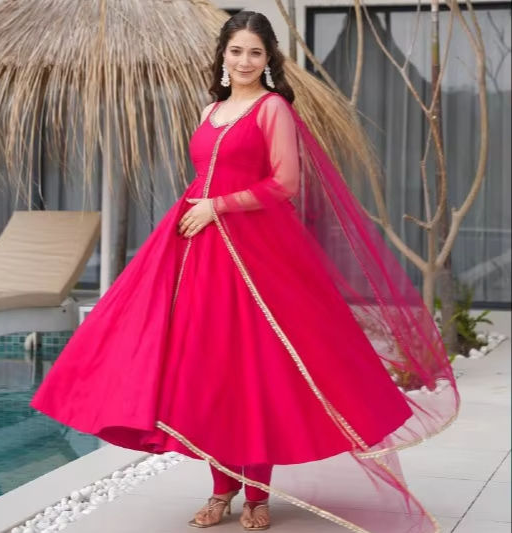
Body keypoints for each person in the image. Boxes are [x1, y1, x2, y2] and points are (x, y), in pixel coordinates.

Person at [31, 11, 458, 533]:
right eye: (237, 51)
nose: (245, 60)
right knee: (209, 370)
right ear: (223, 55)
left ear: (268, 58)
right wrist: (202, 211)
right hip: (198, 254)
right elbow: (205, 175)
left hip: (256, 255)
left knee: (255, 372)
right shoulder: (210, 109)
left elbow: (285, 183)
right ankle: (221, 490)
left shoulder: (272, 108)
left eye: (256, 52)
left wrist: (219, 206)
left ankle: (257, 496)